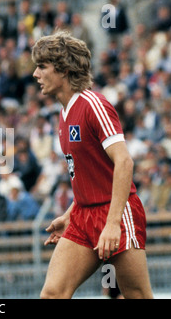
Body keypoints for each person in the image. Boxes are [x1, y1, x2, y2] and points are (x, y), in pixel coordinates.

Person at [31, 31, 153, 298]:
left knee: (137, 295)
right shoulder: (63, 114)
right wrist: (70, 214)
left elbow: (124, 162)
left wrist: (111, 225)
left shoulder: (93, 104)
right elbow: (91, 177)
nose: (35, 74)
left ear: (63, 69)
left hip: (117, 213)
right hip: (83, 216)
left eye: (42, 66)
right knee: (52, 294)